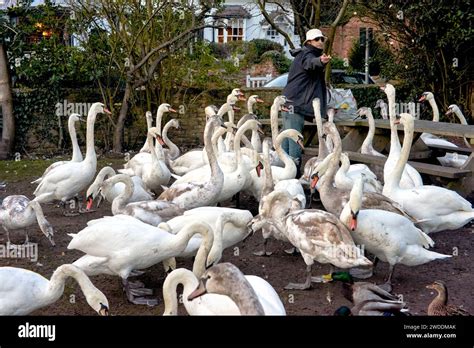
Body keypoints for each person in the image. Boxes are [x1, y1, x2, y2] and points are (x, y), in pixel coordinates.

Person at [282, 28, 332, 177]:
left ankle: (284, 175)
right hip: (295, 105)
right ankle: (294, 177)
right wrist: (320, 62)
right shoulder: (306, 54)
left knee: (286, 139)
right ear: (309, 42)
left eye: (322, 39)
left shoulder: (306, 54)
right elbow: (310, 63)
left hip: (290, 103)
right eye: (317, 39)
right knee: (295, 141)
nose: (321, 42)